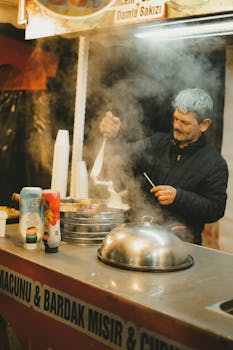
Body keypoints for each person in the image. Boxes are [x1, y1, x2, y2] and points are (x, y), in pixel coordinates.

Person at [99, 88, 229, 245]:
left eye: (185, 123)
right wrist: (115, 137)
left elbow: (215, 209)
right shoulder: (158, 142)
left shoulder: (214, 163)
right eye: (176, 119)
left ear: (204, 125)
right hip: (139, 234)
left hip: (181, 244)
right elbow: (125, 159)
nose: (177, 126)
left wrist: (179, 197)